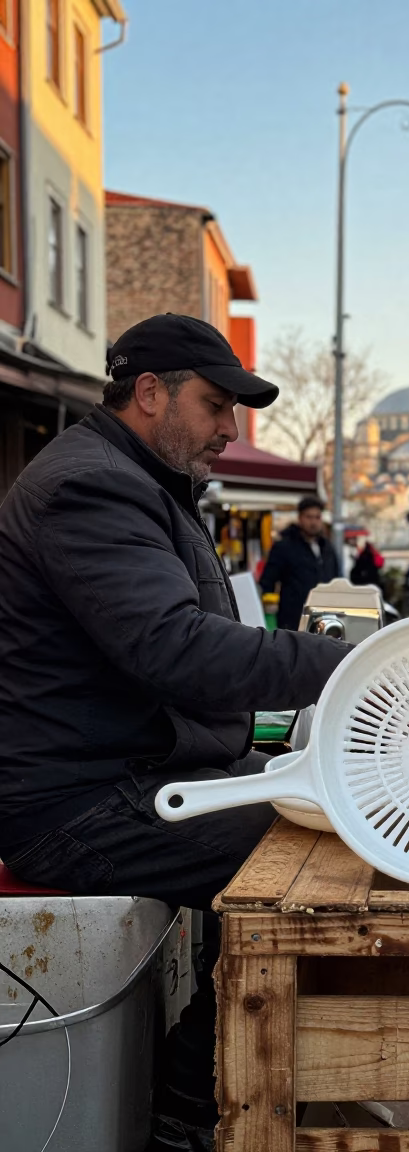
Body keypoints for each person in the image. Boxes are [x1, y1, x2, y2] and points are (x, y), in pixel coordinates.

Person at [0, 314, 352, 1150]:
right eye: (215, 403)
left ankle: (211, 1082)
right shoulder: (91, 486)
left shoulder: (144, 481)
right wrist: (342, 663)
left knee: (321, 804)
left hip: (137, 775)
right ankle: (191, 1106)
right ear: (149, 393)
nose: (230, 427)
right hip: (81, 805)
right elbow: (173, 648)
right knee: (314, 868)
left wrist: (271, 741)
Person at [259, 495, 340, 629]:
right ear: (300, 518)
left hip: (325, 620)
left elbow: (336, 580)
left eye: (317, 517)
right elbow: (267, 581)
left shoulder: (327, 548)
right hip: (293, 621)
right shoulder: (284, 547)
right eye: (309, 517)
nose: (313, 522)